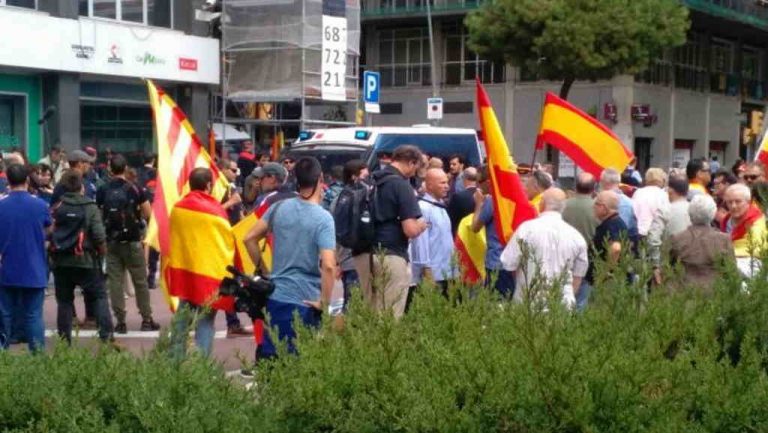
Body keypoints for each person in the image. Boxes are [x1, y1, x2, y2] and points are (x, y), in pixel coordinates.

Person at [243, 157, 336, 359]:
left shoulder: (278, 208)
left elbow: (249, 238)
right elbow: (329, 266)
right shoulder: (323, 218)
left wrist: (264, 270)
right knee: (301, 363)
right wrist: (324, 302)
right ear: (320, 179)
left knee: (273, 358)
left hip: (276, 296)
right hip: (306, 300)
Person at [169, 168, 237, 357]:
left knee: (181, 319)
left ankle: (173, 362)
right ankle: (202, 367)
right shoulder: (215, 210)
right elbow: (226, 242)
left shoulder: (178, 208)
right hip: (209, 276)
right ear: (208, 185)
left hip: (186, 273)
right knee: (206, 322)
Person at [353, 145, 427, 319]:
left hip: (363, 254)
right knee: (389, 316)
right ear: (411, 163)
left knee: (369, 313)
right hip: (391, 254)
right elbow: (410, 229)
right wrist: (422, 225)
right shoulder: (401, 185)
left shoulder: (369, 180)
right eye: (417, 167)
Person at [96, 154, 160, 334]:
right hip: (132, 241)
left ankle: (120, 321)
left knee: (115, 282)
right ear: (125, 169)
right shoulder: (136, 189)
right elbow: (148, 214)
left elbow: (99, 214)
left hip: (112, 241)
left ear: (110, 169)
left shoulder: (102, 190)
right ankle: (146, 319)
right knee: (140, 281)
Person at [49, 170, 114, 344]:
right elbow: (99, 235)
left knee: (64, 301)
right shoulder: (90, 207)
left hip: (62, 261)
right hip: (86, 259)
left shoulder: (57, 206)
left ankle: (65, 341)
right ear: (82, 187)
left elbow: (50, 232)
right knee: (99, 296)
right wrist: (102, 254)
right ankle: (106, 337)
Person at [500, 188, 588, 309]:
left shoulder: (526, 229)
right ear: (564, 207)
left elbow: (509, 263)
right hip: (562, 304)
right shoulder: (577, 237)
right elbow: (578, 275)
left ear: (542, 204)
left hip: (528, 302)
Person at [0, 164, 51, 351]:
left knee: (5, 315)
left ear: (8, 180)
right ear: (27, 180)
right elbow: (48, 227)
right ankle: (37, 358)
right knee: (33, 315)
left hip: (6, 268)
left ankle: (3, 355)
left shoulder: (1, 206)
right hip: (34, 267)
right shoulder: (40, 205)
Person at [668, 195, 734, 294]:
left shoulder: (677, 239)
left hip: (684, 293)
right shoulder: (723, 240)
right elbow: (731, 271)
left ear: (690, 214)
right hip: (715, 294)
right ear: (712, 214)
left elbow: (669, 267)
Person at [471, 166, 516, 297]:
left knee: (496, 301)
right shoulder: (511, 197)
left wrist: (478, 204)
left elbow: (475, 227)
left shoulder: (492, 201)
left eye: (479, 182)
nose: (477, 186)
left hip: (496, 261)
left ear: (489, 182)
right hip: (512, 260)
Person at [411, 168, 455, 293]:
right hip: (433, 273)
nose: (447, 186)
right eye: (442, 183)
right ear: (429, 185)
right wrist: (426, 269)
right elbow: (421, 241)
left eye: (447, 182)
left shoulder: (441, 206)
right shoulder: (423, 208)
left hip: (447, 271)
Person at [332, 159, 369, 304]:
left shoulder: (339, 198)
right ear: (354, 177)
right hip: (355, 258)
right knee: (354, 305)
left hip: (346, 259)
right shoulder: (356, 198)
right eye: (365, 177)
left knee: (352, 303)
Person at [647, 176, 691, 284]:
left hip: (668, 264)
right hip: (693, 265)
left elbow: (653, 239)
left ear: (670, 191)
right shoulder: (696, 209)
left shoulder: (664, 210)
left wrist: (655, 265)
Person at [721, 183, 767, 277]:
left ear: (748, 202)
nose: (733, 206)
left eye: (738, 201)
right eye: (729, 202)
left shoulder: (757, 221)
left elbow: (756, 248)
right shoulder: (725, 221)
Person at [587, 191, 629, 290]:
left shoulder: (611, 225)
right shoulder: (616, 222)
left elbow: (616, 248)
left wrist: (605, 273)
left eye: (596, 204)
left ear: (604, 208)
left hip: (608, 283)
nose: (593, 207)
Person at [599, 168, 638, 248]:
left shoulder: (598, 201)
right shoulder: (629, 202)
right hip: (624, 249)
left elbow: (619, 235)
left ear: (604, 182)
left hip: (607, 249)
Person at [631, 168, 669, 238]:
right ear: (661, 180)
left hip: (638, 231)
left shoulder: (638, 192)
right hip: (655, 234)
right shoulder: (663, 195)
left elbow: (633, 211)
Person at [447, 167, 479, 235]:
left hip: (462, 236)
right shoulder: (484, 195)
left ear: (464, 179)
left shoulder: (458, 197)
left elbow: (450, 219)